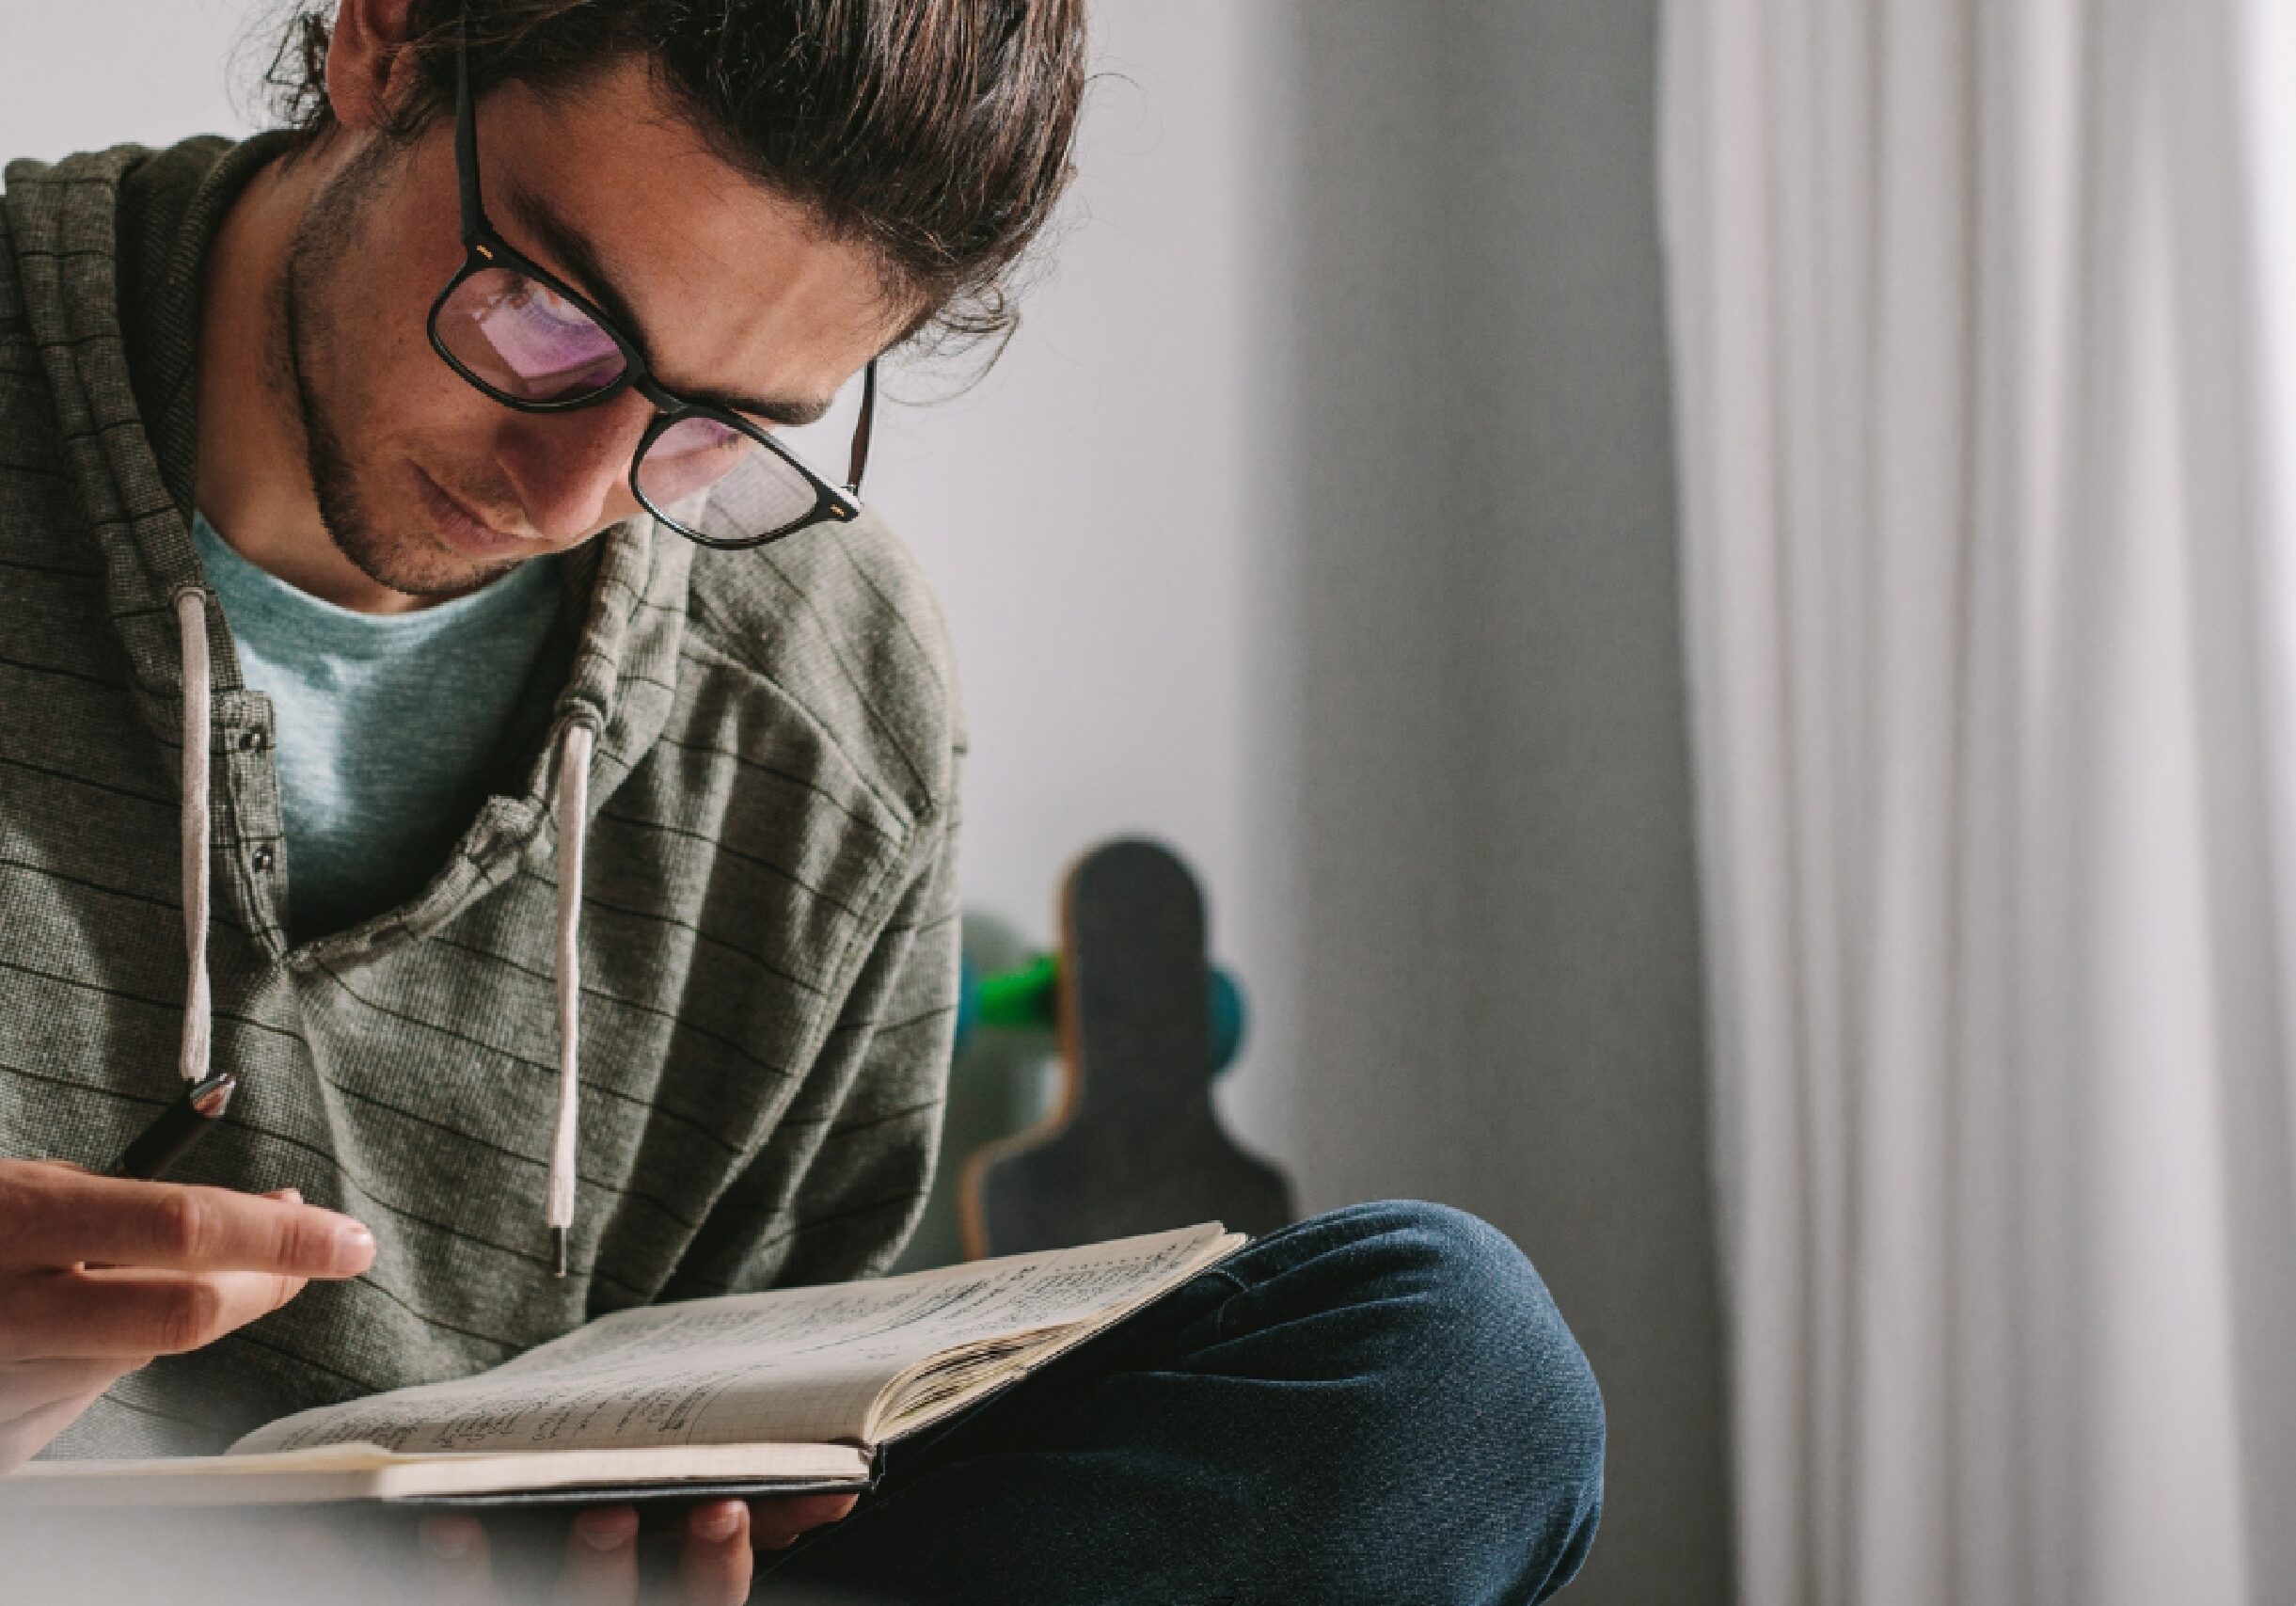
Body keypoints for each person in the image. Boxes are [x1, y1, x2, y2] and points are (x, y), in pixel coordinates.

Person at [0, 1, 1605, 1599]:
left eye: (720, 430)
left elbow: (762, 1397)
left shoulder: (828, 688)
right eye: (548, 321)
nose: (567, 499)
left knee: (1450, 1366)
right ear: (388, 42)